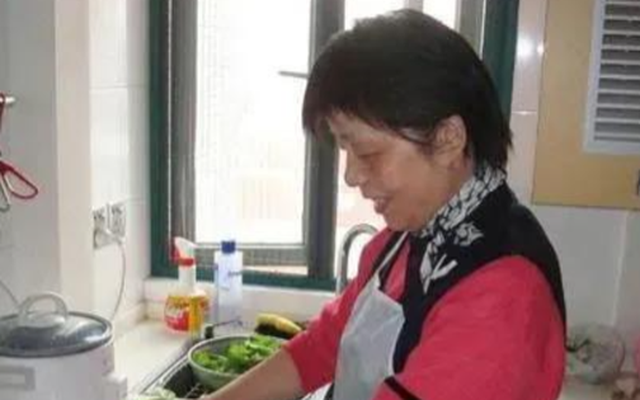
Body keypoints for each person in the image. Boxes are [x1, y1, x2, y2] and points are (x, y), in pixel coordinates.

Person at [204, 9, 566, 400]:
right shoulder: (403, 241)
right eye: (344, 149)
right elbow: (322, 347)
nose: (350, 176)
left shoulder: (503, 293)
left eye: (367, 152)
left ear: (448, 139)